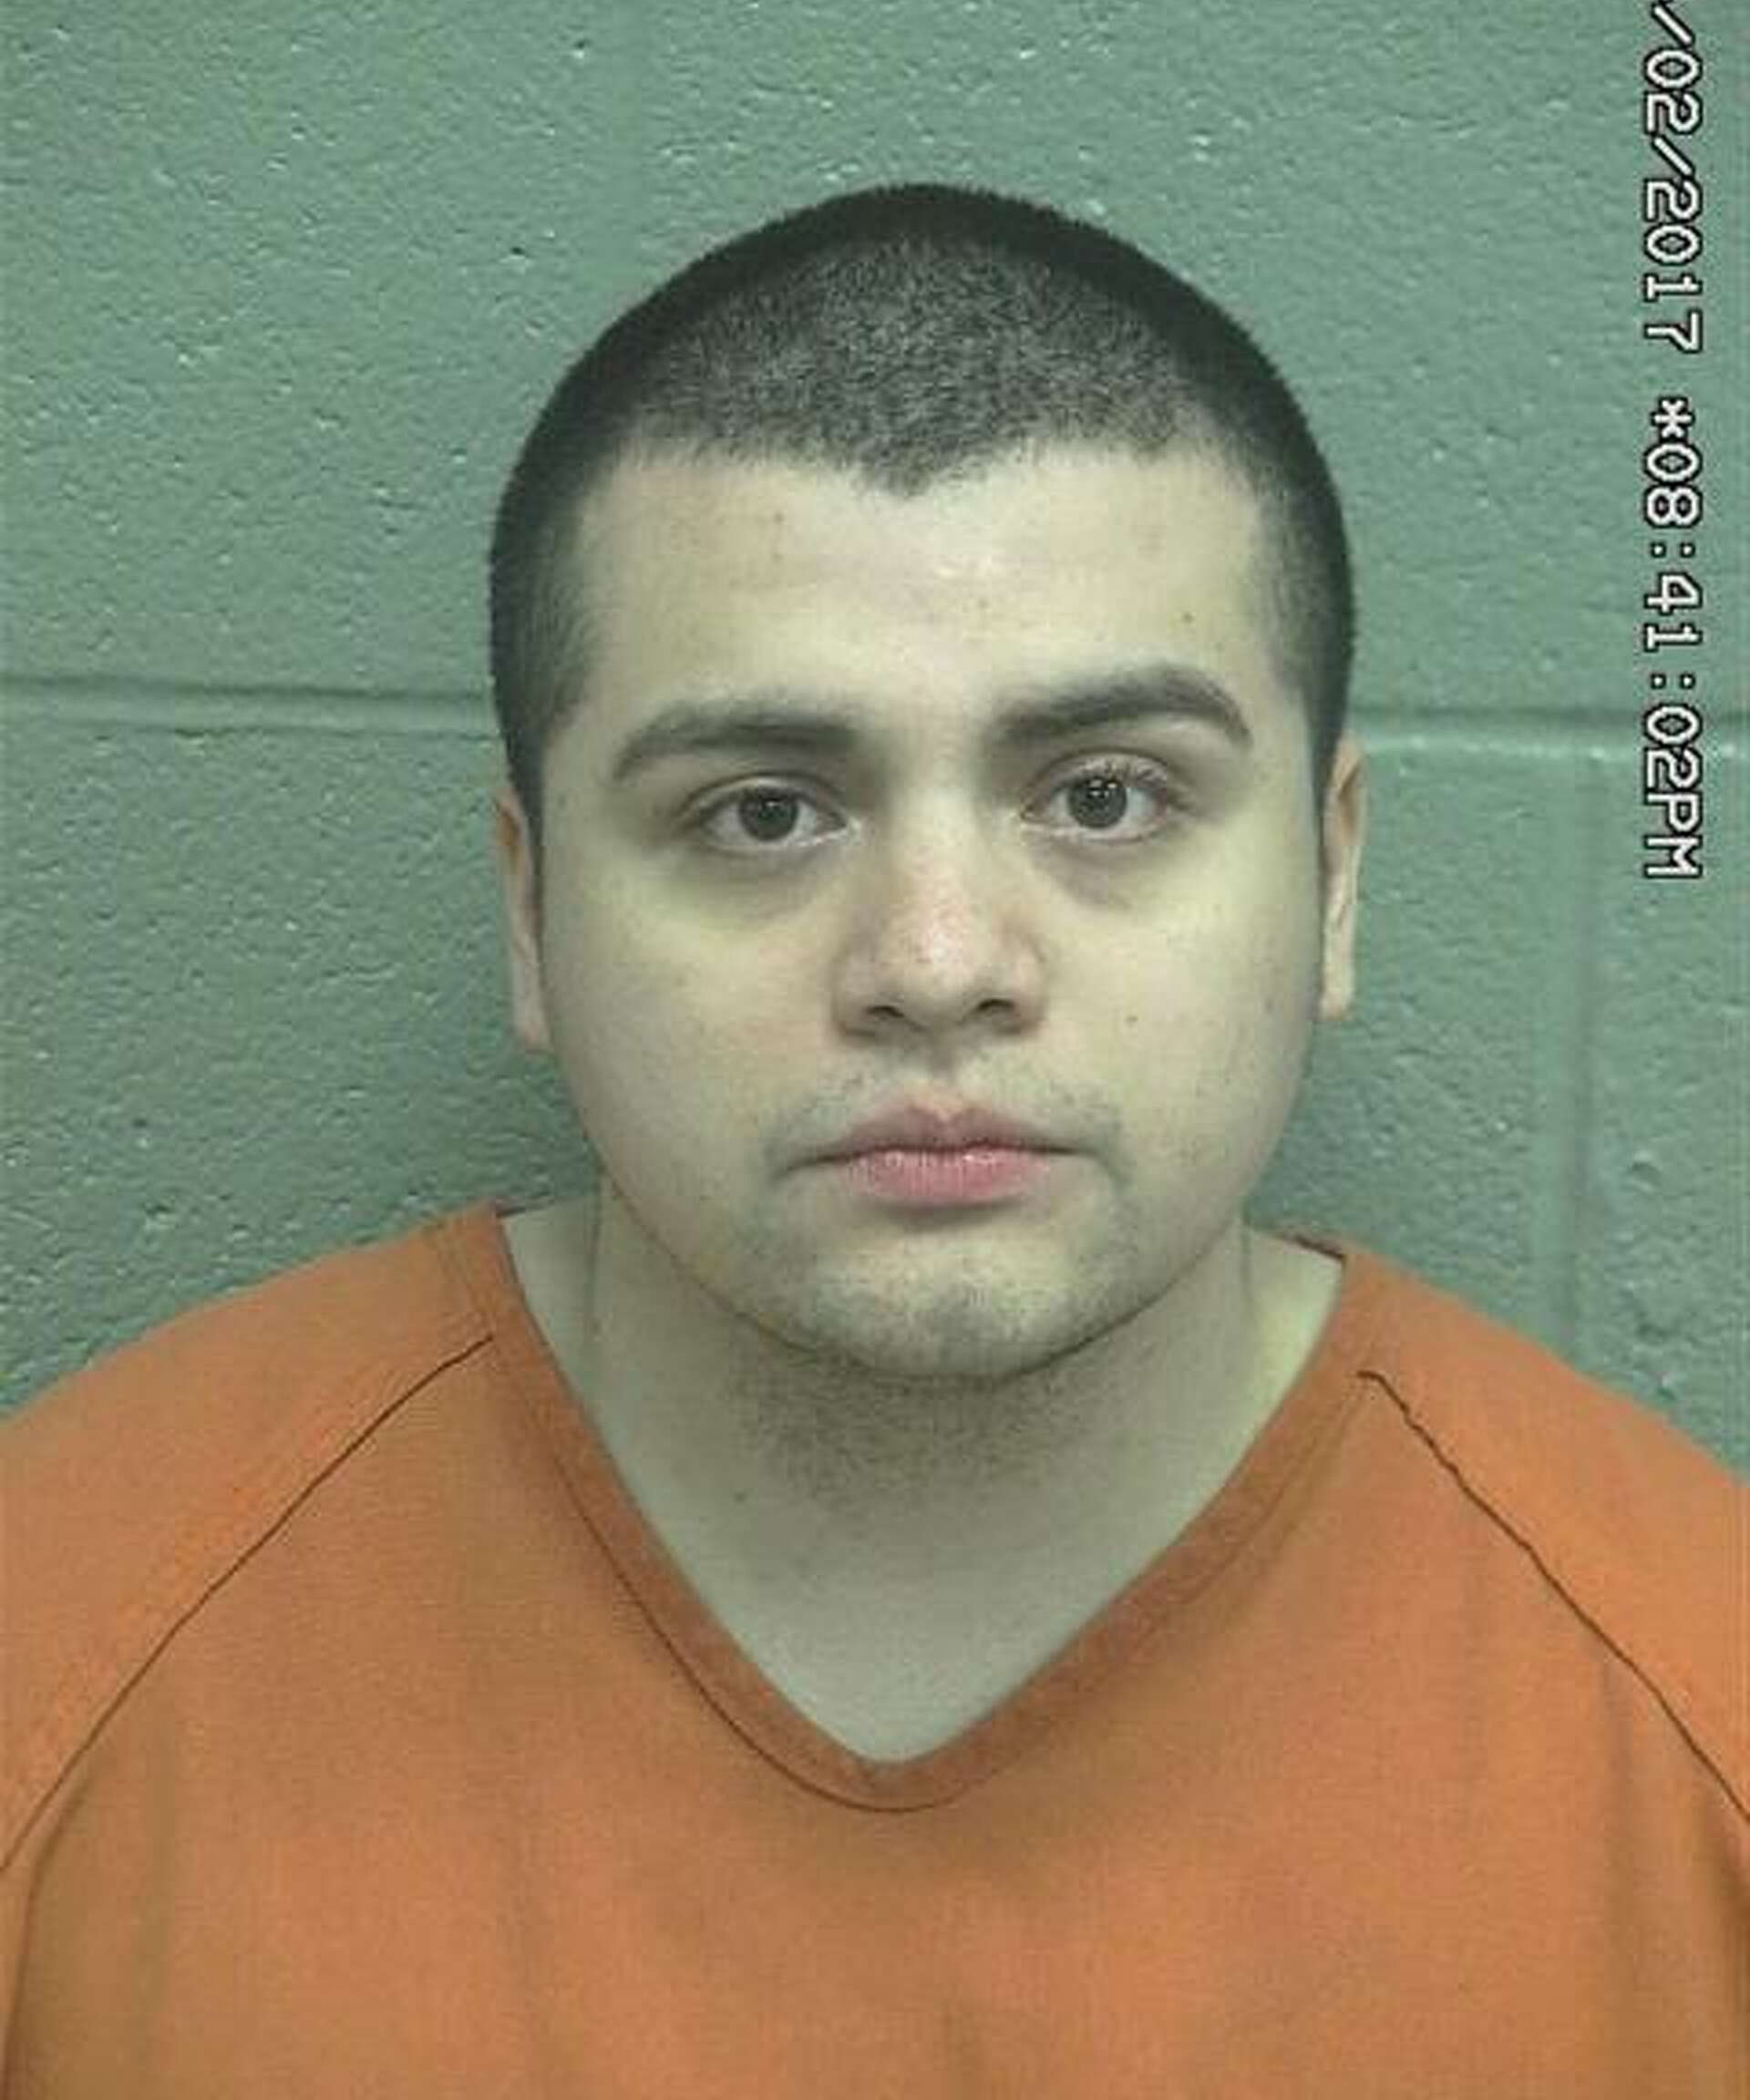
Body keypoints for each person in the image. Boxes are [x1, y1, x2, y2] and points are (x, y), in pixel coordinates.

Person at [1, 182, 1740, 2096]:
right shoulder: (59, 1638)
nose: (936, 964)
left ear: (1331, 882)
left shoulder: (1698, 1710)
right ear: (530, 909)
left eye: (1106, 796)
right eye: (762, 813)